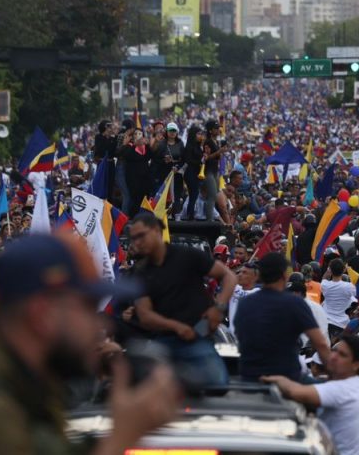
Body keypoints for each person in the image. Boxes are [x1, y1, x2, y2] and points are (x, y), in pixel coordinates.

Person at [0, 233, 180, 455]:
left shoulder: (12, 376)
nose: (100, 324)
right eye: (87, 307)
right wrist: (120, 438)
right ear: (42, 314)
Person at [128, 211, 237, 387]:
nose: (137, 242)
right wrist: (177, 327)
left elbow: (229, 276)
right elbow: (145, 315)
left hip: (197, 338)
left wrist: (218, 307)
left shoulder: (186, 255)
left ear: (156, 230)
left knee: (218, 386)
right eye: (134, 238)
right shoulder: (140, 273)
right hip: (162, 342)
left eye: (141, 236)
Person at [263, 336, 359, 455]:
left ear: (356, 364)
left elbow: (293, 391)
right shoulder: (353, 385)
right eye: (334, 351)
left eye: (342, 355)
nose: (334, 357)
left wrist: (268, 377)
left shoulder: (345, 389)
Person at [232, 253, 330, 382]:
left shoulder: (245, 303)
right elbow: (321, 343)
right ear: (284, 275)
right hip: (287, 378)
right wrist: (337, 379)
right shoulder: (296, 303)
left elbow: (239, 335)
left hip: (249, 376)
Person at [320, 258, 356, 335]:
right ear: (343, 270)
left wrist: (328, 271)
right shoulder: (349, 287)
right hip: (342, 325)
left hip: (326, 322)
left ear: (330, 270)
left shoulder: (325, 285)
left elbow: (323, 279)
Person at [181, 125, 205, 220]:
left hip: (196, 173)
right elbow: (189, 160)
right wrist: (200, 162)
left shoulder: (198, 146)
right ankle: (190, 214)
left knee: (194, 195)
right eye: (198, 134)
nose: (200, 136)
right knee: (193, 194)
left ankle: (190, 214)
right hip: (190, 173)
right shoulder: (189, 147)